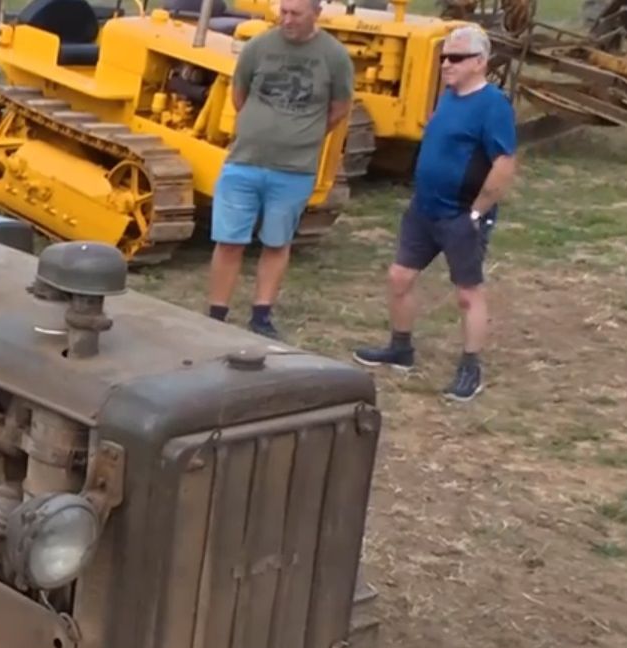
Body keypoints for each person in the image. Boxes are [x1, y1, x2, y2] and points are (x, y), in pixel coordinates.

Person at [351, 24, 517, 403]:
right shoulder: (449, 96)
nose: (445, 64)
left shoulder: (493, 105)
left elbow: (504, 163)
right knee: (399, 277)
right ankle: (400, 348)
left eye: (455, 58)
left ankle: (471, 367)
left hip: (460, 214)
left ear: (480, 62)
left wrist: (476, 213)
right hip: (424, 210)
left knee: (467, 293)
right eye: (444, 57)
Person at [204, 0, 353, 340]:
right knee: (229, 241)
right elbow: (239, 95)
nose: (287, 20)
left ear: (316, 14)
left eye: (295, 14)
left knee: (276, 241)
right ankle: (216, 314)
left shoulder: (334, 56)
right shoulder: (258, 47)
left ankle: (261, 315)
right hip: (244, 162)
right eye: (283, 12)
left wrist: (304, 134)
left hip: (294, 170)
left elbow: (340, 106)